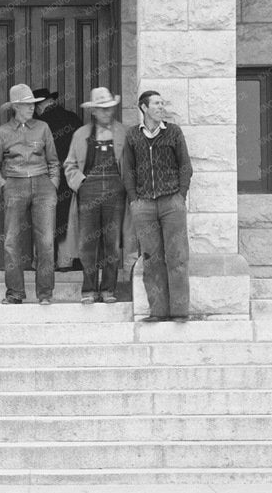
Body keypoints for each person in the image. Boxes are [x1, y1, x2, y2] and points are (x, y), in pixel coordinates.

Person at [120, 90, 194, 322]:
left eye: (163, 103)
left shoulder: (173, 132)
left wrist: (180, 195)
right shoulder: (133, 135)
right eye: (156, 104)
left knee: (177, 257)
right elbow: (127, 170)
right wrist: (134, 200)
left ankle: (180, 312)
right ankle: (158, 312)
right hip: (144, 205)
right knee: (152, 259)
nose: (161, 107)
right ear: (144, 108)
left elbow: (185, 166)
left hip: (172, 201)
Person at [0, 84, 60, 304]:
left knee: (46, 241)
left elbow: (53, 161)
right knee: (11, 241)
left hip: (42, 185)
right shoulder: (0, 133)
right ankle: (15, 293)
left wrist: (53, 184)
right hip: (14, 184)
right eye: (28, 105)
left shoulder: (43, 127)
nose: (32, 108)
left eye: (33, 104)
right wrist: (4, 187)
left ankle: (45, 293)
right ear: (16, 107)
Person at [62, 88, 130, 304]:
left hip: (115, 189)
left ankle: (109, 289)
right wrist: (81, 183)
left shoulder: (124, 133)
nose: (106, 113)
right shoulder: (81, 134)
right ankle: (89, 290)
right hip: (88, 189)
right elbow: (69, 164)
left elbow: (132, 164)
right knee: (87, 242)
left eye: (109, 108)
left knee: (112, 240)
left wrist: (126, 185)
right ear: (93, 111)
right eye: (101, 109)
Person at [33, 87, 83, 267]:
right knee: (71, 217)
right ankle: (69, 261)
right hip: (73, 174)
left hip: (47, 176)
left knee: (47, 219)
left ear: (40, 105)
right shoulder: (73, 118)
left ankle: (49, 261)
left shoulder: (39, 123)